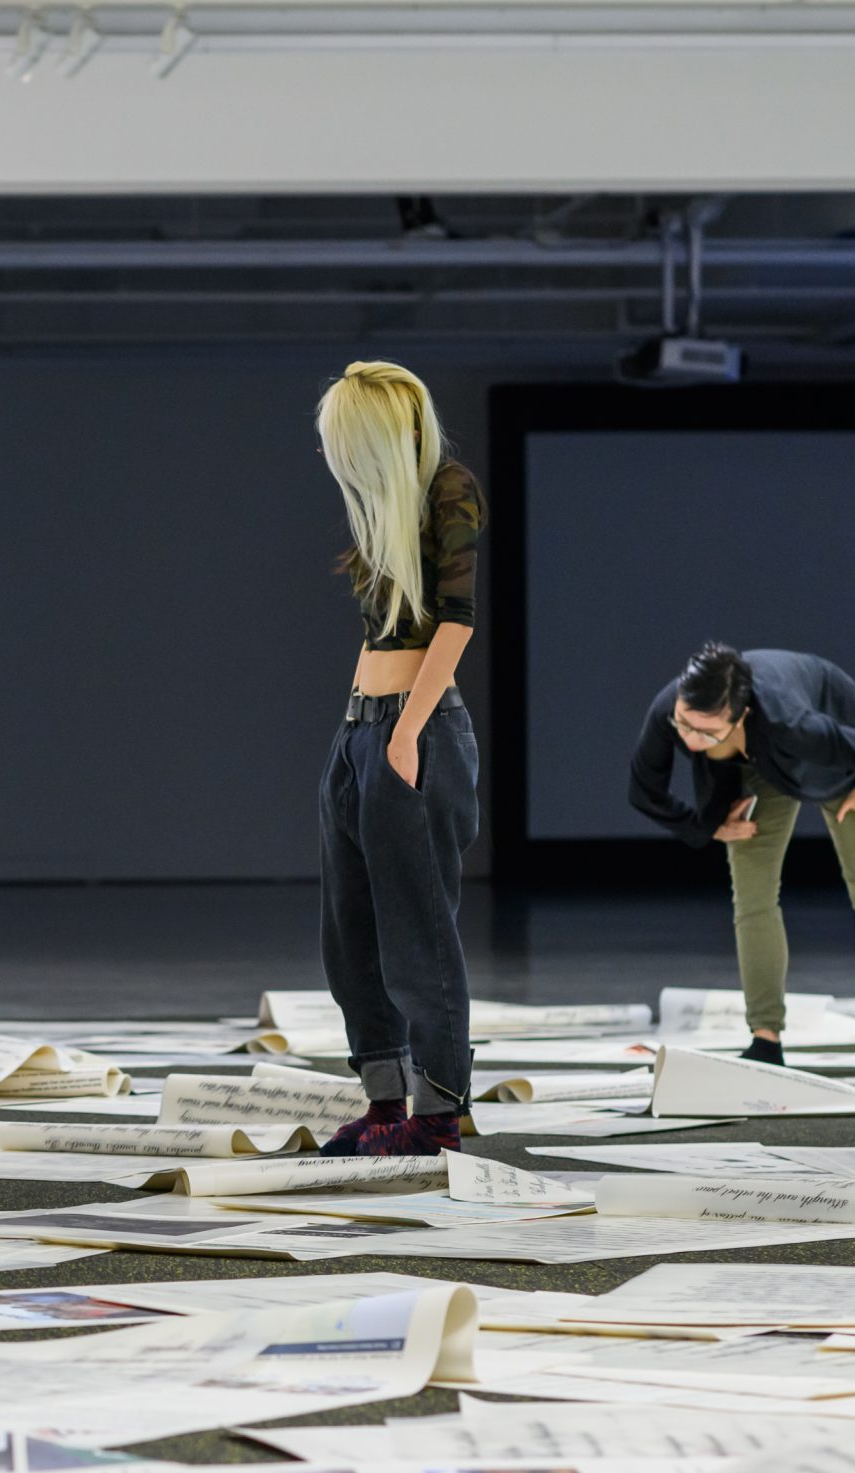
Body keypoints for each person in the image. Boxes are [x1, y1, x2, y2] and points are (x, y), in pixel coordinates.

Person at [628, 642, 855, 1074]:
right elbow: (643, 790)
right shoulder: (674, 710)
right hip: (751, 766)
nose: (690, 740)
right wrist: (705, 826)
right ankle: (765, 1039)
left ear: (740, 717)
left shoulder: (796, 723)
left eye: (705, 733)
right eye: (685, 725)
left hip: (835, 757)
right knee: (752, 899)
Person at [312, 361, 484, 1158]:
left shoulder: (448, 487)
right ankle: (385, 1103)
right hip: (360, 733)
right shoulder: (384, 513)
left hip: (413, 731)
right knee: (351, 930)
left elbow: (455, 621)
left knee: (417, 930)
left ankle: (439, 1110)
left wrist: (406, 733)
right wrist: (363, 737)